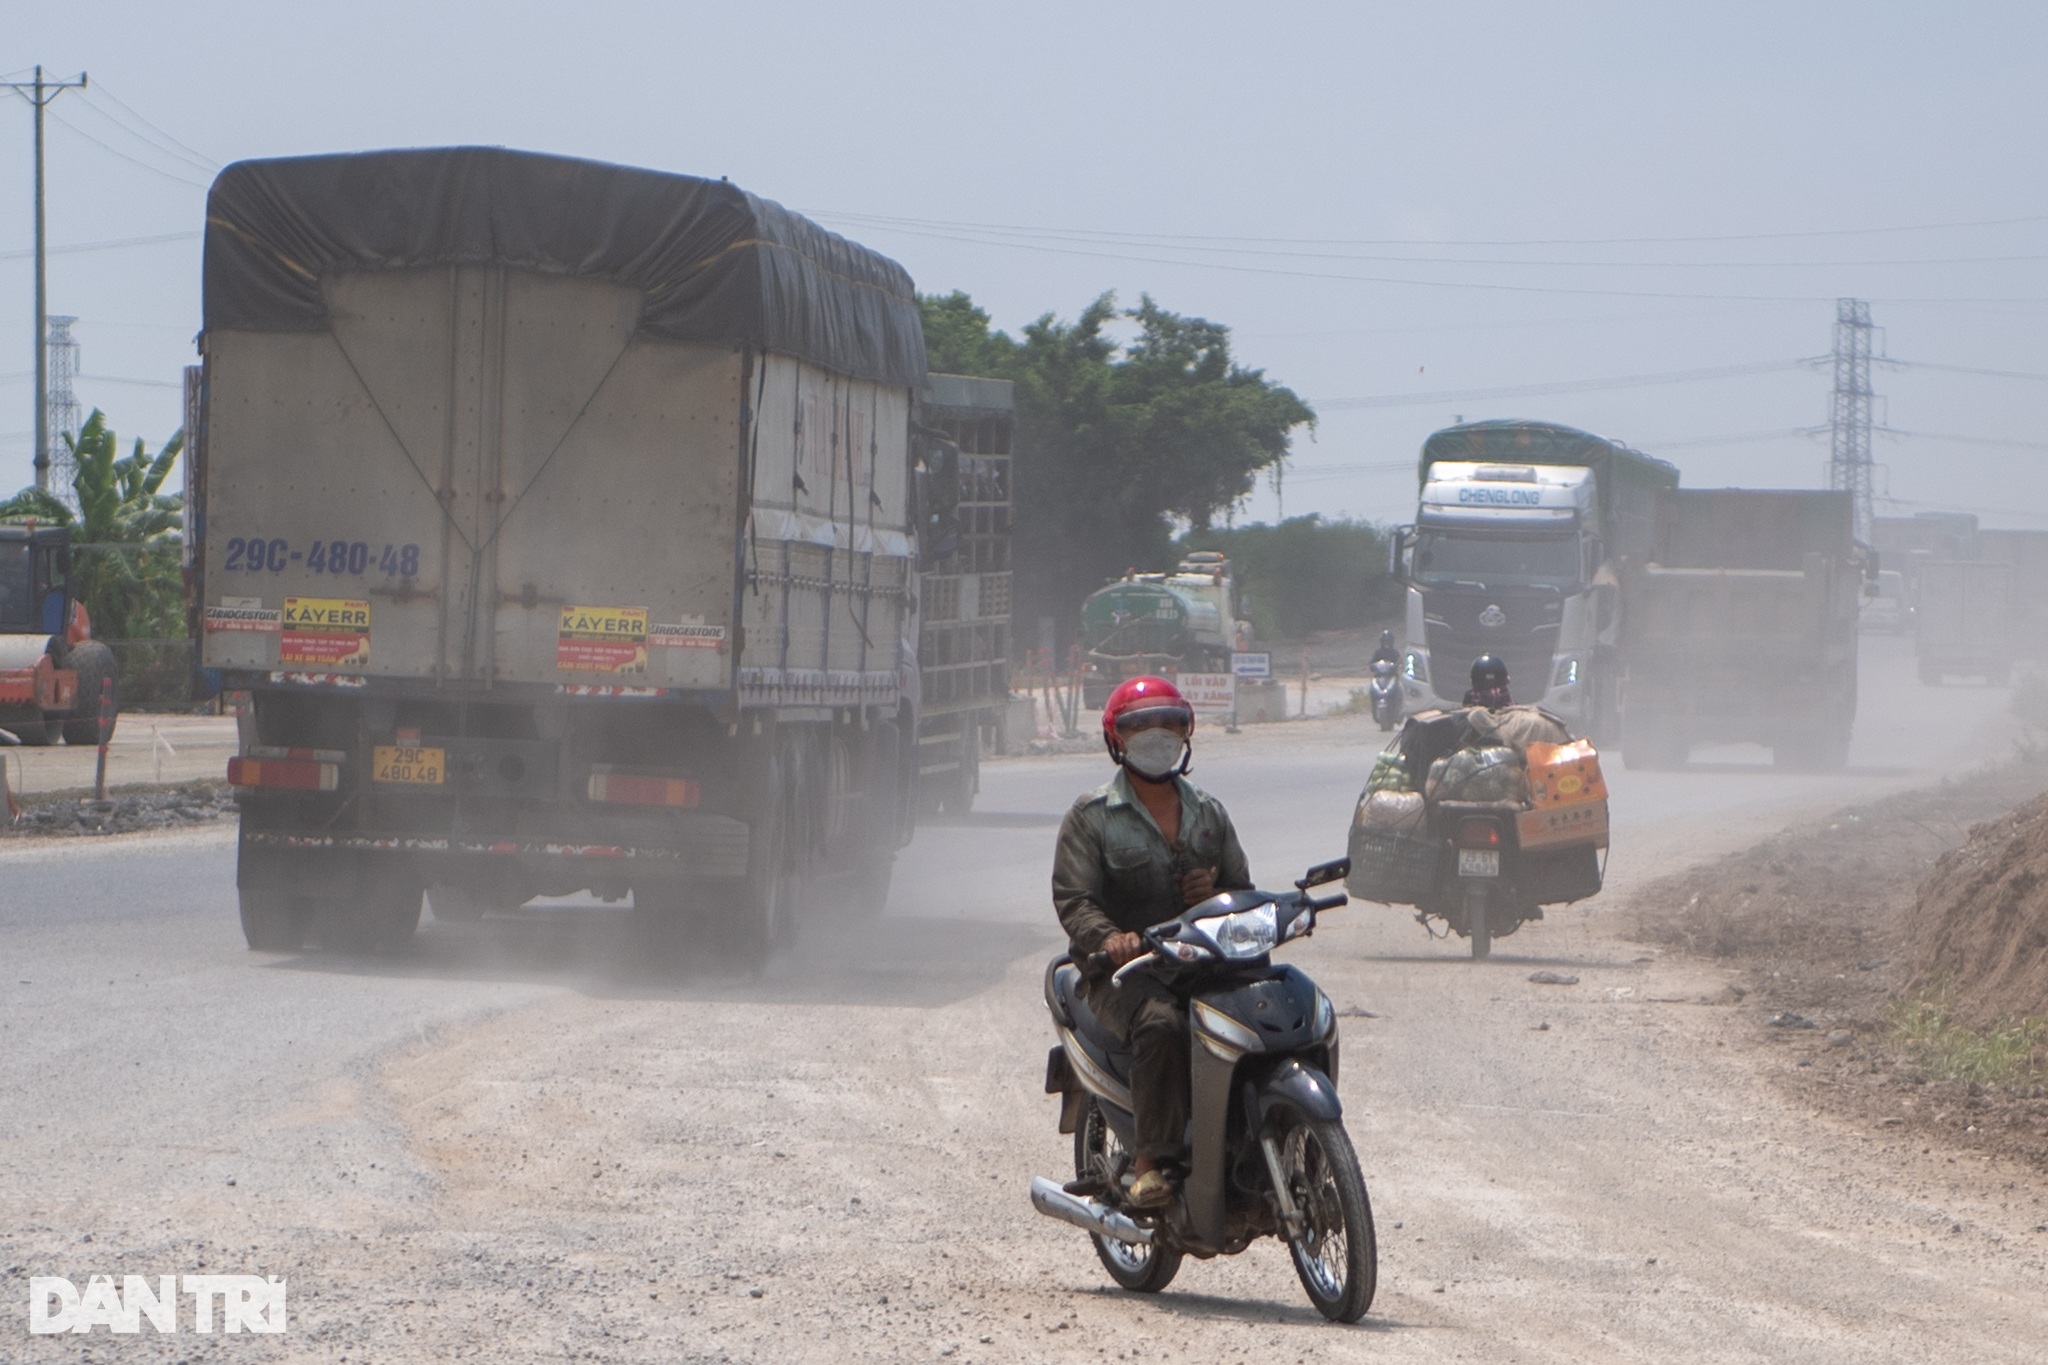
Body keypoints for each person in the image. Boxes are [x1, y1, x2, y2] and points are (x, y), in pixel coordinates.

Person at [1052, 676, 1252, 1210]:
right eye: (1138, 725)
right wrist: (1111, 939)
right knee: (1162, 1024)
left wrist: (1213, 894)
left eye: (1167, 723)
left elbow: (1242, 890)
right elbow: (1074, 899)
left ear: (1186, 732)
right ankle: (1150, 1164)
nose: (1155, 735)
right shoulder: (1091, 816)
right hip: (1124, 975)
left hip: (1200, 962)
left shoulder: (1209, 812)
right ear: (1116, 740)